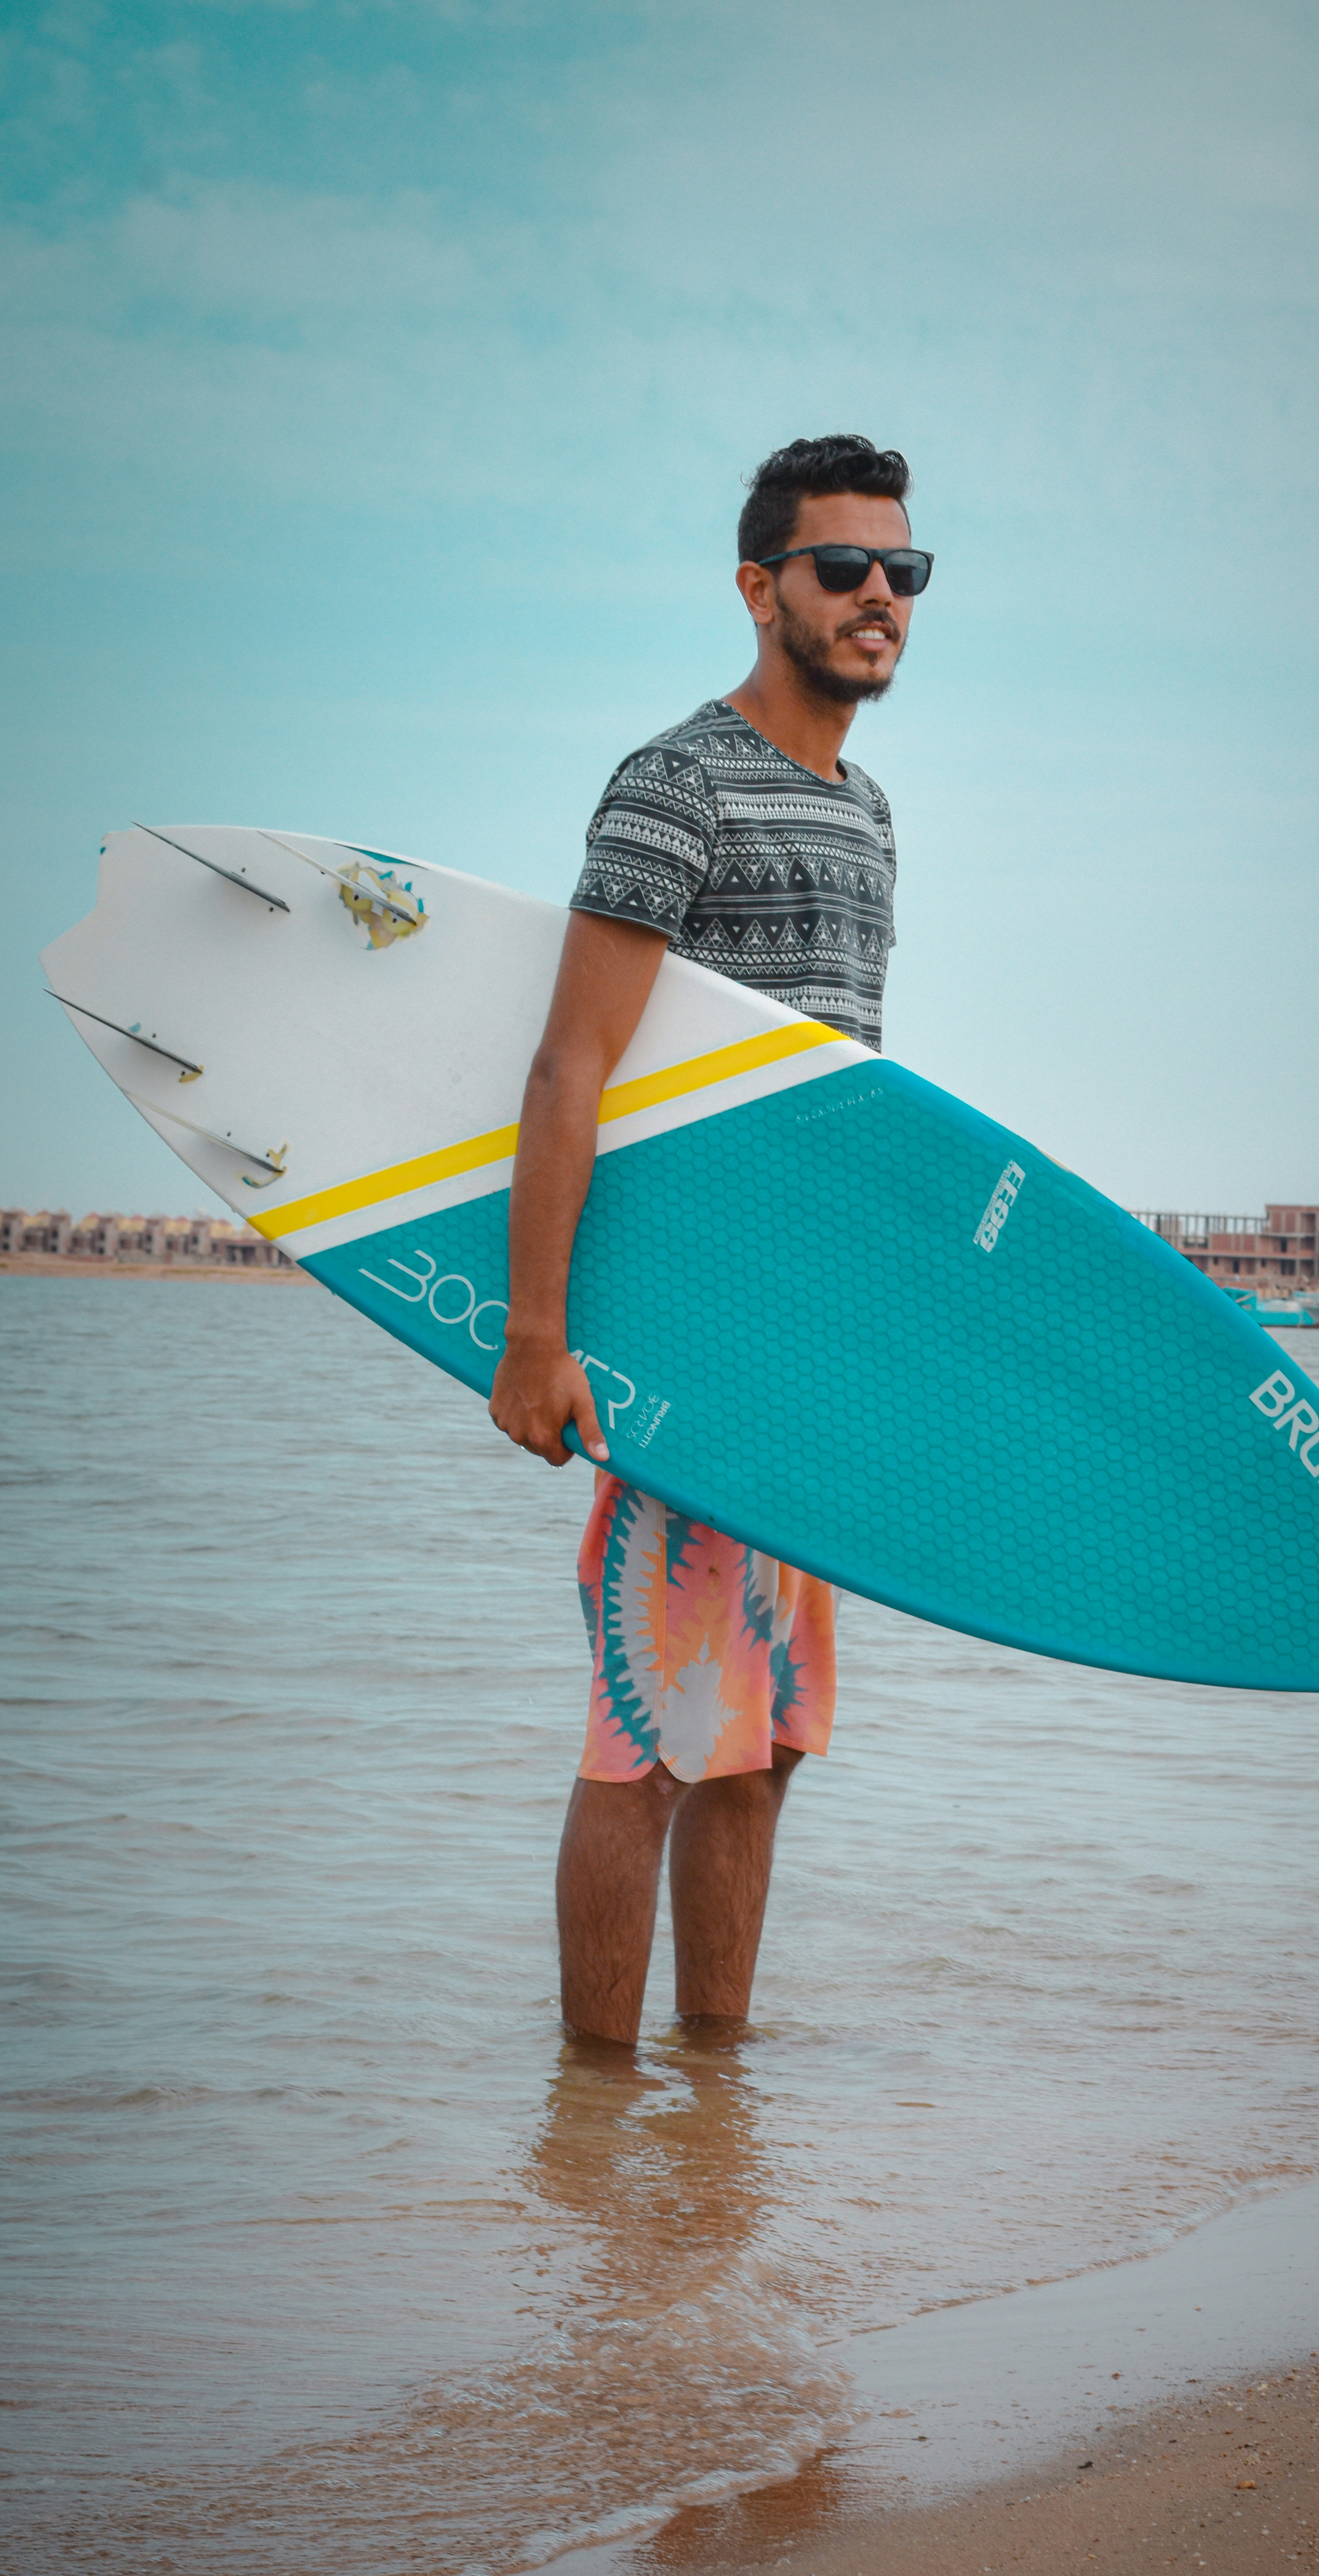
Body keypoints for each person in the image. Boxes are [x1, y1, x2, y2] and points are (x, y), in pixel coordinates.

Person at [489, 434, 926, 2047]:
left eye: (905, 570)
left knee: (771, 1739)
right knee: (655, 1739)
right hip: (694, 1345)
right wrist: (538, 1338)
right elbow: (570, 1065)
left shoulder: (868, 811)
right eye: (844, 568)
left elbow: (843, 1104)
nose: (881, 593)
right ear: (762, 588)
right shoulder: (678, 782)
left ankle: (712, 2103)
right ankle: (596, 2123)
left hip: (819, 1356)